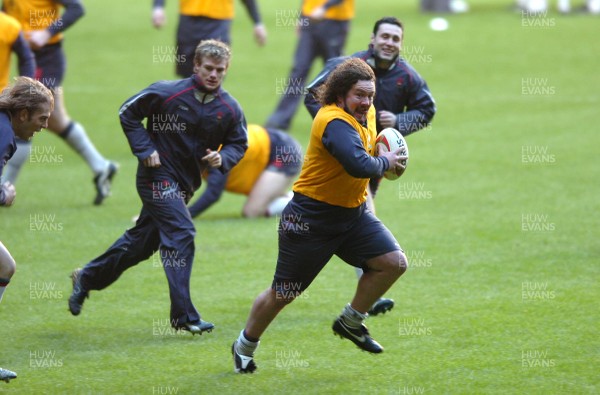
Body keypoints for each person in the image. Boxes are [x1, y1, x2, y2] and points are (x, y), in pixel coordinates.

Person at [231, 58, 408, 373]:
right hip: (310, 220)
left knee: (393, 264)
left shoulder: (365, 112)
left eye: (370, 94)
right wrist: (386, 161)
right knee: (284, 293)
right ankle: (244, 345)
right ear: (341, 93)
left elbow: (367, 155)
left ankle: (351, 322)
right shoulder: (332, 121)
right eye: (359, 95)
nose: (366, 102)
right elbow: (359, 164)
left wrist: (384, 155)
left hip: (352, 215)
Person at [68, 40, 248, 335]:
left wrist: (223, 156)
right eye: (208, 68)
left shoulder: (229, 108)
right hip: (155, 178)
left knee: (140, 245)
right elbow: (127, 112)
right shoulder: (167, 92)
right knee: (182, 231)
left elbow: (239, 143)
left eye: (220, 70)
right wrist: (144, 148)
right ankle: (184, 316)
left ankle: (86, 277)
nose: (214, 75)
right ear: (196, 66)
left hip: (186, 185)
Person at [305, 16, 436, 316]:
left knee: (361, 214)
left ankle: (368, 288)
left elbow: (427, 110)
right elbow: (312, 94)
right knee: (361, 217)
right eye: (385, 36)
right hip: (342, 155)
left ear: (401, 43)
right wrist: (335, 128)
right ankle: (368, 289)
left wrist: (399, 122)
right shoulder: (348, 67)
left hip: (372, 162)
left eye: (395, 38)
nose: (389, 42)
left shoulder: (407, 76)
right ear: (372, 38)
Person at [2, 0, 118, 205]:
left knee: (25, 118)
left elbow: (77, 8)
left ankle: (5, 185)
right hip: (25, 55)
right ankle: (101, 166)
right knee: (55, 121)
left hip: (47, 57)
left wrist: (46, 32)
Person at [0, 76, 54, 384]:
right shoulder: (4, 135)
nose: (45, 125)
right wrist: (4, 194)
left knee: (5, 266)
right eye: (41, 118)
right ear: (23, 114)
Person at [265, 0, 353, 131]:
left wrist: (325, 7)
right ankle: (280, 120)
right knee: (299, 69)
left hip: (335, 22)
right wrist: (301, 16)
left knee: (335, 73)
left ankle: (342, 119)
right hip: (310, 19)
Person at [188, 124, 302, 218]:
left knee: (252, 212)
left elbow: (213, 193)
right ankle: (281, 196)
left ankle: (304, 200)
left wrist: (186, 215)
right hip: (265, 144)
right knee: (260, 201)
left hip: (283, 151)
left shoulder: (216, 155)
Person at [152, 0, 267, 78]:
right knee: (187, 72)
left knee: (215, 69)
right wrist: (158, 6)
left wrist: (257, 22)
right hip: (189, 18)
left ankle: (210, 112)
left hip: (219, 19)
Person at [0, 11, 35, 91]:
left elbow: (26, 59)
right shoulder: (8, 25)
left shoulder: (8, 26)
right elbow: (26, 59)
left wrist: (25, 89)